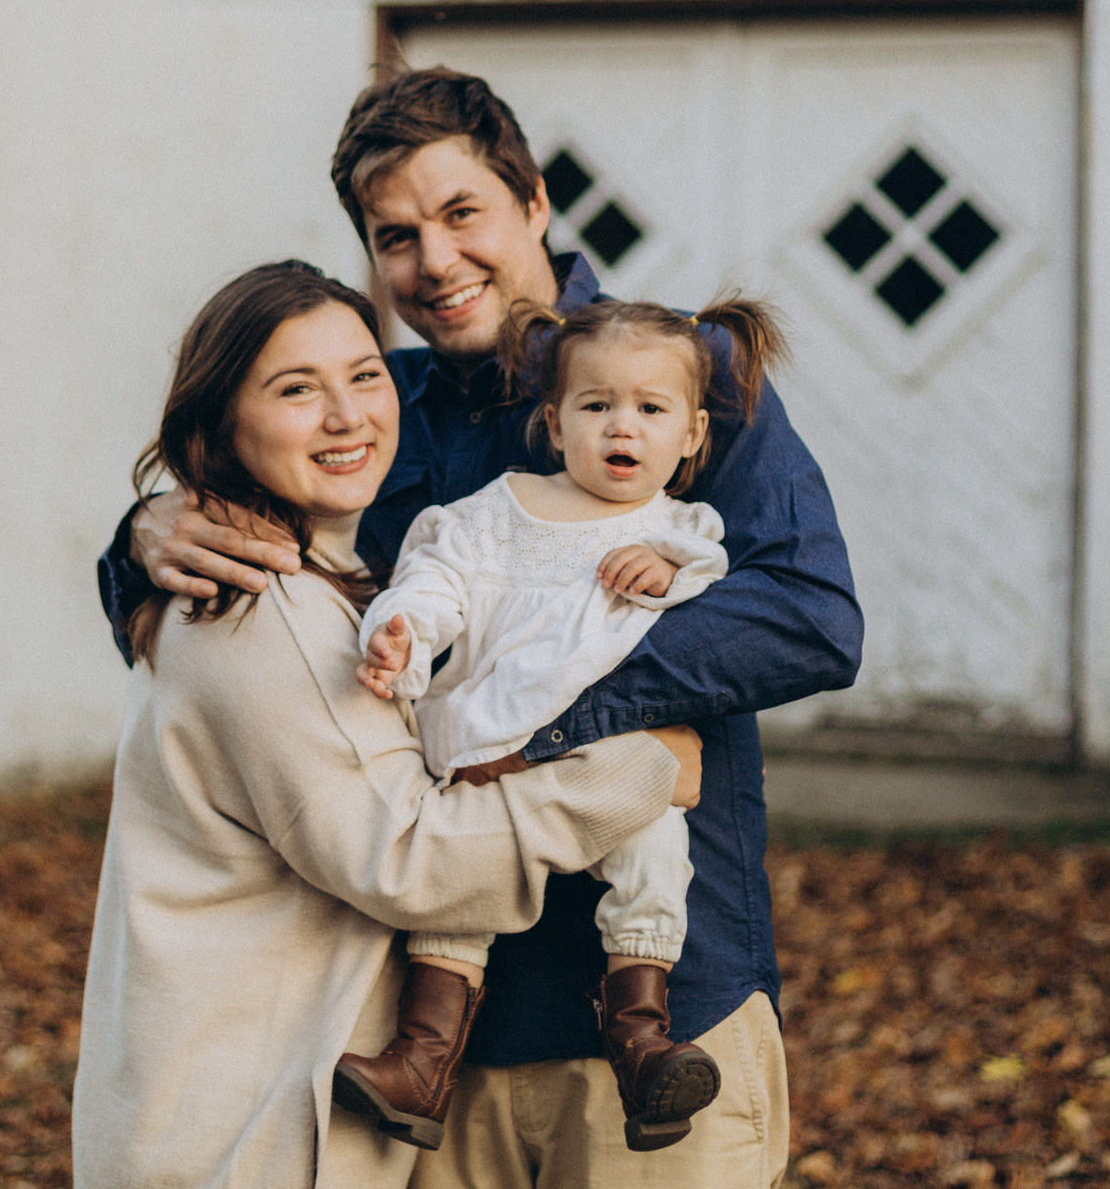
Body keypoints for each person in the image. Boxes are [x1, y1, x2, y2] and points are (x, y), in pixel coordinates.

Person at [98, 69, 865, 1186]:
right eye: (396, 236)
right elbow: (269, 583)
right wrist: (141, 535)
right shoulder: (376, 411)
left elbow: (807, 614)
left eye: (463, 212)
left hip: (658, 1016)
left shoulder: (671, 374)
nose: (436, 260)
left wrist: (538, 723)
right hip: (430, 1035)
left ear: (535, 201)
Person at [72, 261, 707, 1189]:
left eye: (365, 375)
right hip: (245, 1137)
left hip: (235, 1107)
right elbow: (412, 857)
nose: (347, 415)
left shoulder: (323, 584)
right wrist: (641, 768)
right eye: (297, 389)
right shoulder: (266, 613)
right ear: (222, 424)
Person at [336, 293, 789, 1155]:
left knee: (655, 857)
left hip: (610, 768)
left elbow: (714, 593)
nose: (622, 425)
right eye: (596, 404)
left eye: (650, 409)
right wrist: (402, 630)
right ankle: (422, 1060)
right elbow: (437, 578)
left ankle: (642, 1038)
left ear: (693, 434)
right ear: (553, 421)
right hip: (491, 746)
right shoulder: (499, 510)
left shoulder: (682, 531)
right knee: (459, 886)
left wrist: (667, 569)